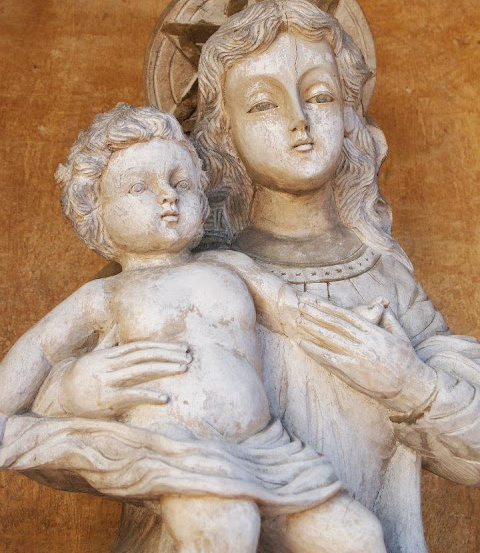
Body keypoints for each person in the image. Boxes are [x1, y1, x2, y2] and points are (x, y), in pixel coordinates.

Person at [23, 0, 480, 553]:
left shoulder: (384, 278)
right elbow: (44, 429)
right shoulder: (168, 269)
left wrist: (412, 386)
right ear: (223, 132)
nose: (299, 120)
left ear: (350, 114)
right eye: (263, 104)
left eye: (321, 95)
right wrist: (74, 390)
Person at [0, 103, 387, 553]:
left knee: (359, 536)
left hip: (265, 449)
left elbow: (294, 313)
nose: (168, 196)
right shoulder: (106, 295)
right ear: (96, 212)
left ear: (202, 199)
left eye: (180, 183)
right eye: (139, 187)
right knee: (226, 529)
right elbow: (41, 350)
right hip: (175, 449)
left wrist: (357, 324)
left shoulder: (229, 265)